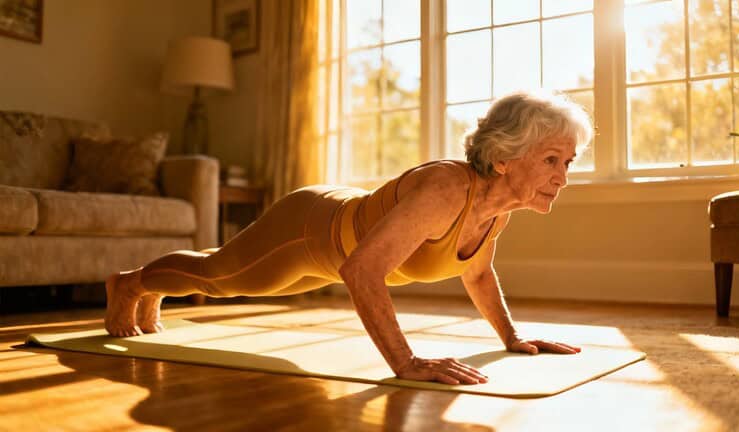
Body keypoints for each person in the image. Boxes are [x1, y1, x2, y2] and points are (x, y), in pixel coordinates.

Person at [105, 89, 593, 386]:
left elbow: (479, 272)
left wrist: (512, 337)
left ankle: (148, 287)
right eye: (551, 160)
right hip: (308, 229)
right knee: (219, 277)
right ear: (505, 157)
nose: (563, 176)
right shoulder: (447, 189)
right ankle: (130, 284)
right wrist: (406, 361)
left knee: (221, 272)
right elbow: (360, 270)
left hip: (335, 240)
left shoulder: (496, 208)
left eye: (567, 162)